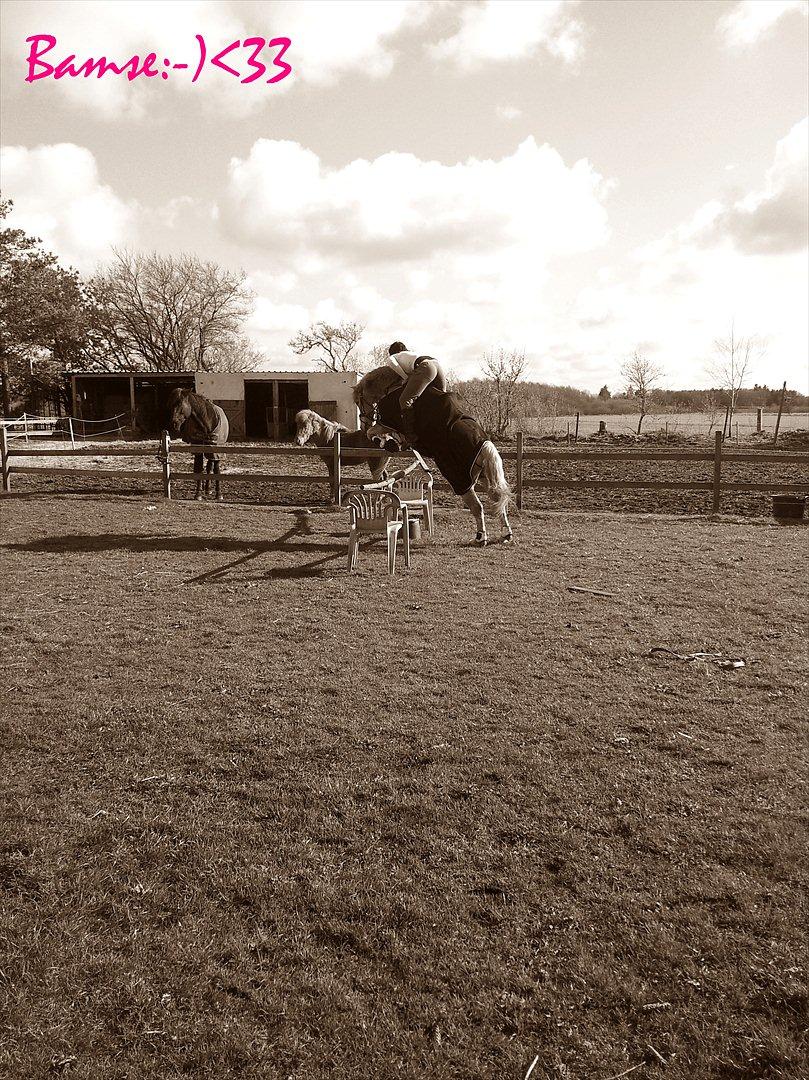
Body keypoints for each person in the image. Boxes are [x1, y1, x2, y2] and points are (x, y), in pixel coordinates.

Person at [386, 341, 448, 443]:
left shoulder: (393, 357)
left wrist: (406, 378)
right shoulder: (410, 354)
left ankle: (410, 436)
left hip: (426, 367)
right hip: (437, 364)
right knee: (442, 398)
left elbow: (392, 363)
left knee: (404, 400)